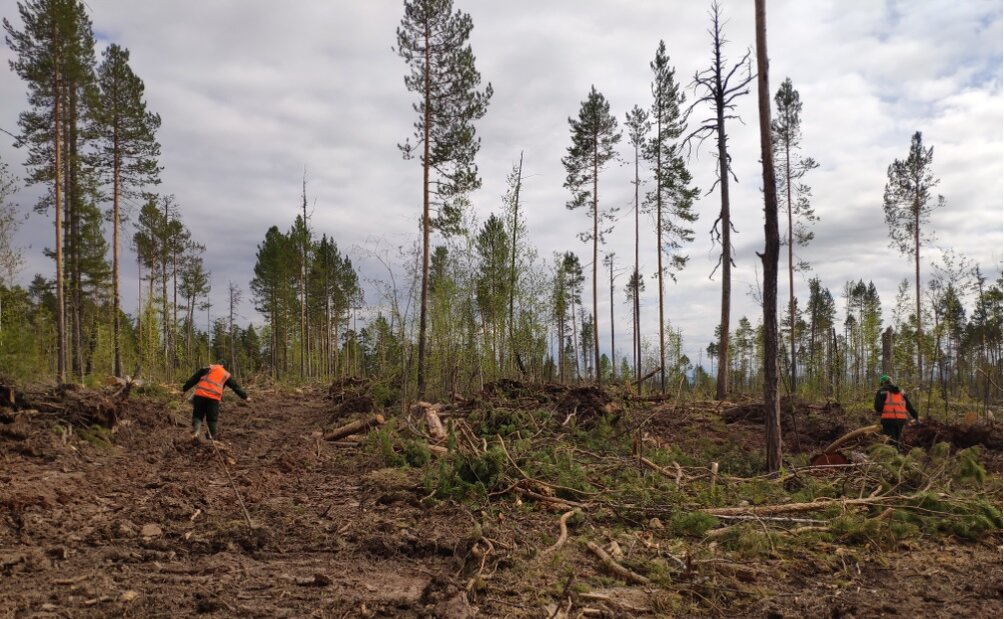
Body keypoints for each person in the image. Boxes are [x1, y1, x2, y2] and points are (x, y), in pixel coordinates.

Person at [182, 360, 250, 440]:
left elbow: (194, 379)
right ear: (223, 366)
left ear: (217, 364)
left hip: (200, 396)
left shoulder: (207, 368)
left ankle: (195, 433)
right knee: (212, 419)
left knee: (198, 415)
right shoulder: (226, 374)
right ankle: (210, 437)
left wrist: (184, 389)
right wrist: (245, 397)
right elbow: (235, 386)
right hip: (213, 399)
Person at [873, 374, 919, 450]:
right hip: (901, 420)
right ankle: (897, 456)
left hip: (888, 420)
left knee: (891, 441)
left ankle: (895, 458)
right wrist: (916, 416)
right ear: (891, 382)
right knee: (896, 439)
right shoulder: (901, 392)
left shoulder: (881, 392)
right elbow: (909, 406)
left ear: (882, 383)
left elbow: (878, 408)